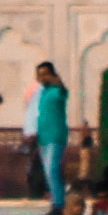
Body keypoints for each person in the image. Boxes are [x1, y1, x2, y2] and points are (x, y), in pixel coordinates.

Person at [29, 62, 71, 207]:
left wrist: (56, 79)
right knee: (48, 172)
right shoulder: (42, 93)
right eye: (39, 74)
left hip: (55, 136)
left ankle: (59, 204)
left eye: (45, 74)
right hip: (43, 137)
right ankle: (56, 202)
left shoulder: (58, 90)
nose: (41, 77)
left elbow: (63, 90)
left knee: (52, 169)